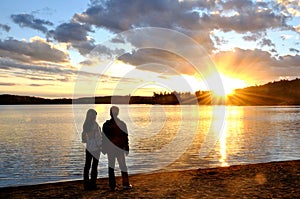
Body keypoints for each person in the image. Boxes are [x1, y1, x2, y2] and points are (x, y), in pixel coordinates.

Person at [102, 106, 132, 191]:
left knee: (112, 167)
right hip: (119, 149)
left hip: (111, 149)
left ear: (110, 113)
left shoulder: (106, 125)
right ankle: (125, 184)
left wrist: (104, 148)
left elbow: (104, 138)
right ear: (117, 113)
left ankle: (112, 186)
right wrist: (126, 148)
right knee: (122, 166)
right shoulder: (121, 124)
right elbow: (125, 137)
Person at [82, 109, 102, 191]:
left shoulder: (85, 125)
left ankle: (86, 185)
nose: (95, 117)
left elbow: (84, 138)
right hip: (96, 148)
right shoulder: (94, 125)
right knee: (94, 166)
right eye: (94, 115)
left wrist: (88, 139)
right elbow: (98, 137)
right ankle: (93, 184)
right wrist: (101, 146)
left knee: (87, 166)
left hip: (89, 148)